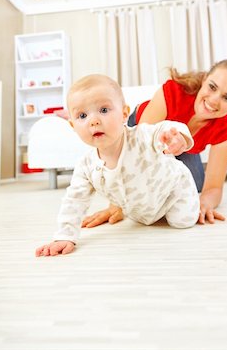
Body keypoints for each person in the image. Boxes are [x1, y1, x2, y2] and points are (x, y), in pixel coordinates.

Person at [35, 74, 200, 257]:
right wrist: (65, 236)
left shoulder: (141, 136)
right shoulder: (86, 166)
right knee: (142, 220)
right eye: (82, 115)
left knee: (182, 221)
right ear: (73, 126)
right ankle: (153, 214)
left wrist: (176, 136)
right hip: (141, 210)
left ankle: (190, 204)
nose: (94, 120)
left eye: (104, 110)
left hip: (174, 191)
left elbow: (164, 128)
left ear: (124, 113)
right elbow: (75, 200)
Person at [82, 58, 227, 229]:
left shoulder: (225, 128)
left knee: (195, 184)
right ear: (204, 79)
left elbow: (214, 189)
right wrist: (119, 203)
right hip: (140, 136)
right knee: (143, 174)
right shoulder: (174, 91)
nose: (214, 100)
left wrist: (204, 204)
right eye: (212, 87)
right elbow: (138, 152)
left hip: (180, 147)